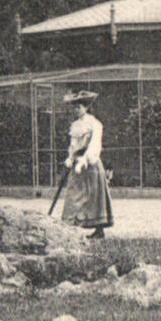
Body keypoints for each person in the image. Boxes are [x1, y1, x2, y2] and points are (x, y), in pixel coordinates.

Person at [59, 90, 113, 239]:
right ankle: (70, 227)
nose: (76, 110)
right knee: (73, 195)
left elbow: (95, 144)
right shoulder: (75, 125)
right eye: (74, 107)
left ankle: (99, 230)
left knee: (94, 196)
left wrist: (84, 160)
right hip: (77, 164)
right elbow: (73, 145)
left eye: (79, 107)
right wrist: (70, 158)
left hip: (90, 164)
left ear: (86, 107)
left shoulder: (95, 124)